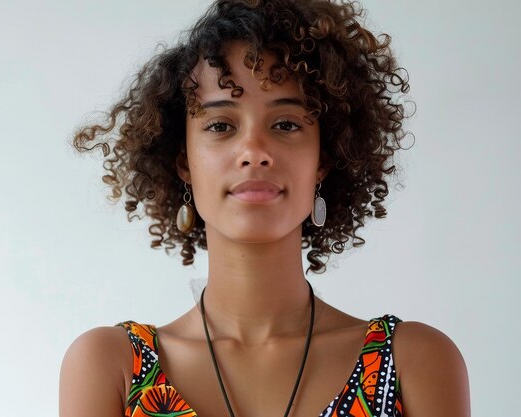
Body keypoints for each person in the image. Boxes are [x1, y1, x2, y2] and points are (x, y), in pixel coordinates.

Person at [60, 1, 471, 416]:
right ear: (183, 160)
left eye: (286, 124)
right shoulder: (111, 368)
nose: (254, 152)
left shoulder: (412, 363)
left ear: (323, 161)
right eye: (220, 126)